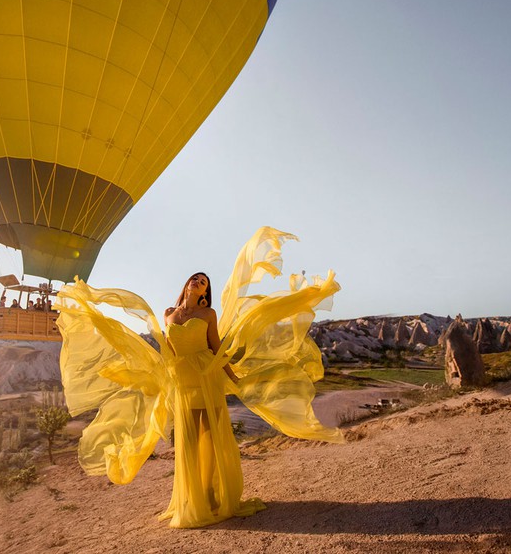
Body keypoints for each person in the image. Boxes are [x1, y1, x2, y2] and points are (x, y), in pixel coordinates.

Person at [54, 227, 343, 529]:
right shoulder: (168, 313)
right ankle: (193, 498)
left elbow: (216, 349)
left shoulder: (208, 315)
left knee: (211, 436)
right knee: (188, 441)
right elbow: (167, 351)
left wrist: (234, 377)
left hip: (207, 376)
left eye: (203, 282)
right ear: (187, 284)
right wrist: (154, 375)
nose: (198, 282)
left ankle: (214, 495)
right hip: (182, 380)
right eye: (195, 278)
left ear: (205, 292)